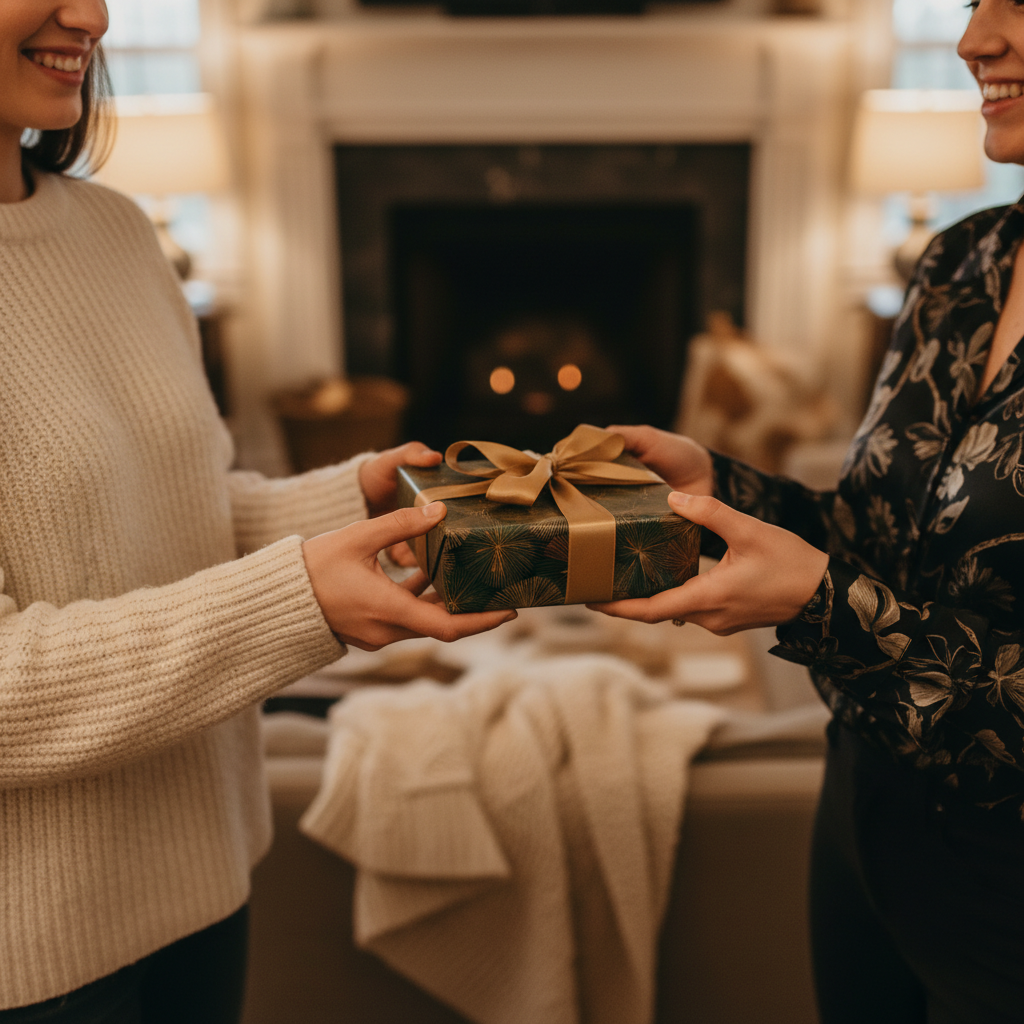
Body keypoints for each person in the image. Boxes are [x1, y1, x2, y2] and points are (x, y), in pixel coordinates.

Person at [0, 2, 515, 1021]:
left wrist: (345, 502)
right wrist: (298, 602)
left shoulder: (112, 229)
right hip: (30, 959)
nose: (93, 15)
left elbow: (165, 518)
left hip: (205, 883)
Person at [592, 3, 1024, 1022]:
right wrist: (716, 485)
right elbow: (887, 534)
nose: (974, 40)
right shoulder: (962, 263)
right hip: (864, 819)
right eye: (971, 3)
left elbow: (851, 601)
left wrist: (820, 610)